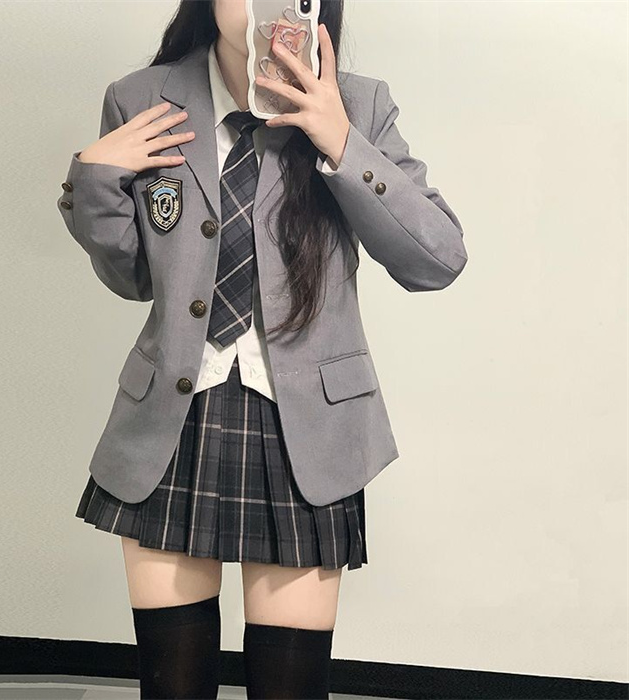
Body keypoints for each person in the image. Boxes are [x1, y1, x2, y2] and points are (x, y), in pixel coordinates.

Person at [56, 0, 468, 697]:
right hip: (170, 423)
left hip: (307, 429)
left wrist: (342, 142)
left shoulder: (358, 105)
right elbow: (133, 278)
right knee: (173, 684)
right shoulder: (141, 97)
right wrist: (93, 182)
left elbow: (437, 260)